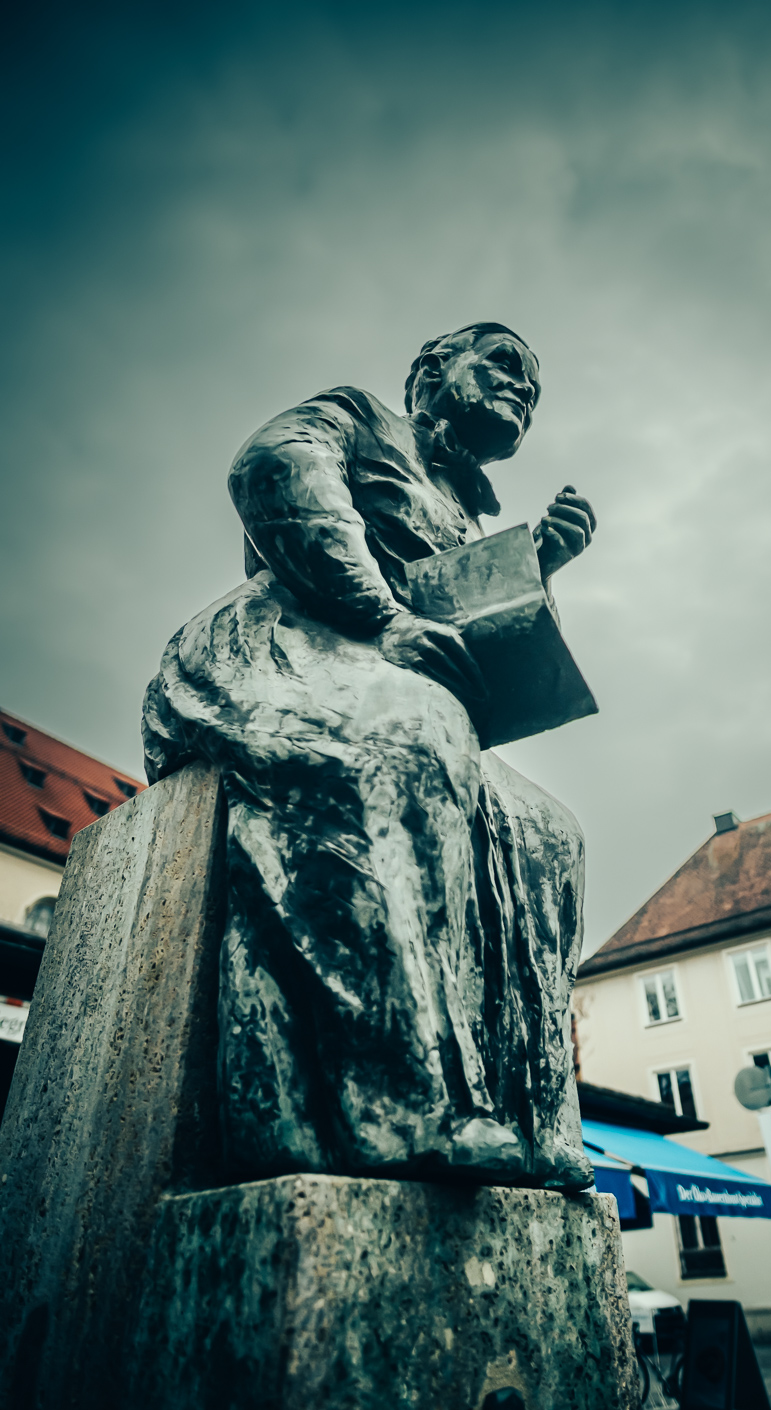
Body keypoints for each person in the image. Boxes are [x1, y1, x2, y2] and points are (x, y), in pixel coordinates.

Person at [142, 322, 598, 1190]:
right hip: (287, 646)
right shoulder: (356, 418)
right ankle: (399, 1103)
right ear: (433, 371)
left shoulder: (464, 506)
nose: (522, 388)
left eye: (533, 387)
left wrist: (534, 564)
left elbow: (462, 633)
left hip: (394, 673)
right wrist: (379, 613)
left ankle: (536, 1115)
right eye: (503, 363)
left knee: (549, 834)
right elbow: (272, 467)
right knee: (405, 740)